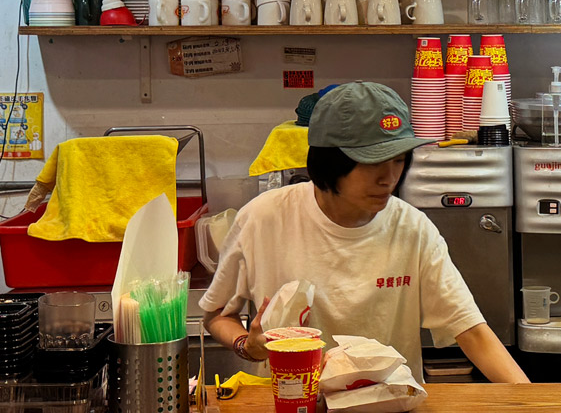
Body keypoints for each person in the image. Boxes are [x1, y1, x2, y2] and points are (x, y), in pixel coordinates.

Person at [201, 82, 529, 383]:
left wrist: (533, 406)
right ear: (330, 161)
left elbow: (471, 331)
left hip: (388, 408)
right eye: (372, 163)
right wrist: (248, 346)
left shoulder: (412, 228)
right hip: (292, 405)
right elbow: (216, 314)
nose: (389, 178)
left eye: (399, 160)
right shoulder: (263, 217)